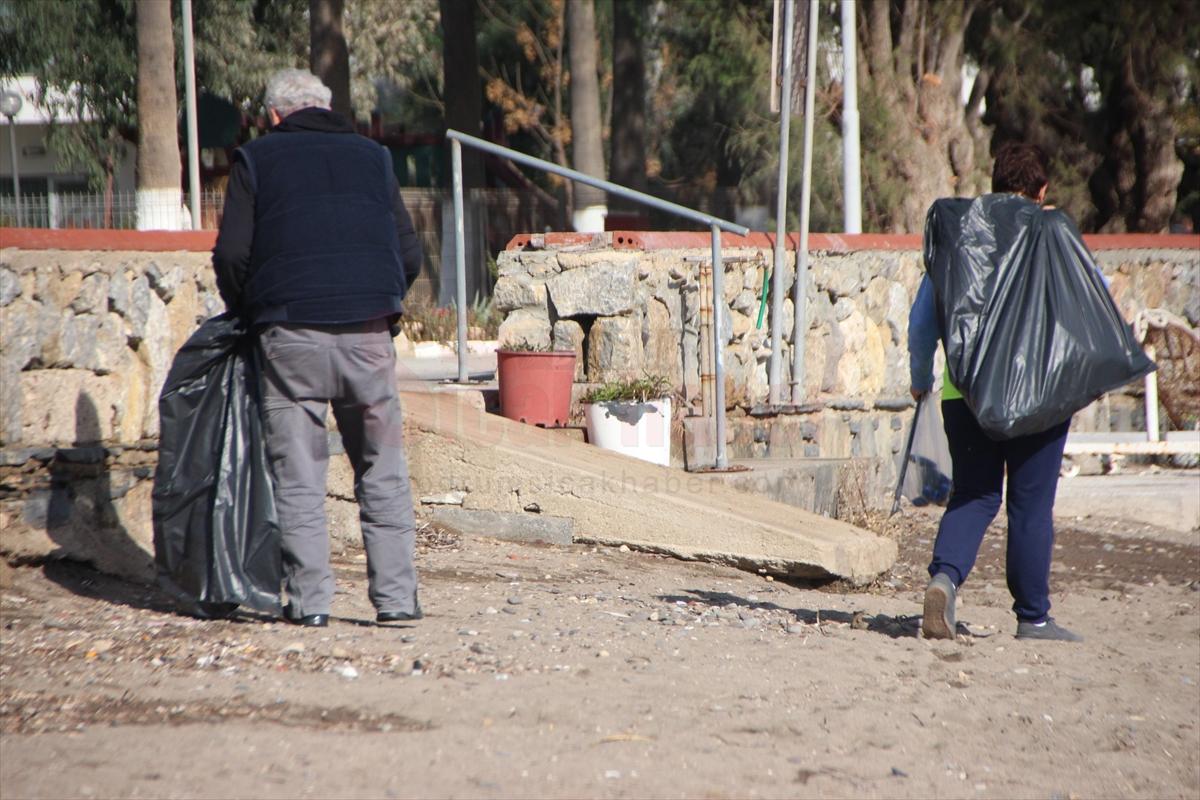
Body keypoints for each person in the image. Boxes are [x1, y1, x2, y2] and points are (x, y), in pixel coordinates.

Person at [212, 68, 424, 628]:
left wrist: (247, 314)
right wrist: (382, 304)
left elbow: (233, 255)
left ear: (275, 115)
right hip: (368, 335)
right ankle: (397, 601)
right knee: (382, 467)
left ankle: (311, 606)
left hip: (289, 338)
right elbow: (408, 251)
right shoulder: (374, 158)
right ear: (325, 107)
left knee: (300, 474)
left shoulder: (256, 159)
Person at [907, 142, 1082, 643]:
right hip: (1038, 397)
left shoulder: (961, 235)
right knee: (1029, 505)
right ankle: (1033, 618)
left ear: (994, 183)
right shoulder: (1052, 236)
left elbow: (923, 321)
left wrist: (921, 377)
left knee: (975, 494)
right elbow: (1082, 314)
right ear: (1042, 192)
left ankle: (944, 580)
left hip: (965, 395)